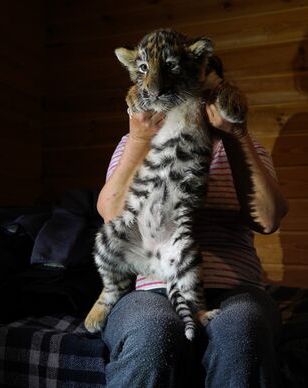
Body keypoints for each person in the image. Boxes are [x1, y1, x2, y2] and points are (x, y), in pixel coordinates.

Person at [96, 80, 289, 387]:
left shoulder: (246, 147)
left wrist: (236, 135)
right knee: (151, 334)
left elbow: (267, 220)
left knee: (242, 331)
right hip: (154, 289)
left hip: (236, 289)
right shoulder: (138, 141)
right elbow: (113, 216)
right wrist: (139, 138)